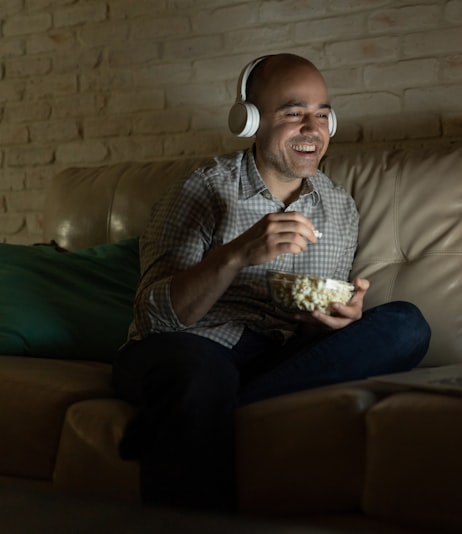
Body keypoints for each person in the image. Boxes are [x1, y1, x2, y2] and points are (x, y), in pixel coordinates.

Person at [112, 53, 431, 512]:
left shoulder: (339, 207)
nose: (313, 128)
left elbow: (311, 330)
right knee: (200, 375)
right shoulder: (201, 190)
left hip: (277, 356)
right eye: (293, 113)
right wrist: (237, 254)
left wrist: (333, 320)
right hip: (192, 347)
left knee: (406, 326)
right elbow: (156, 318)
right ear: (250, 121)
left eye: (322, 114)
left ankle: (193, 415)